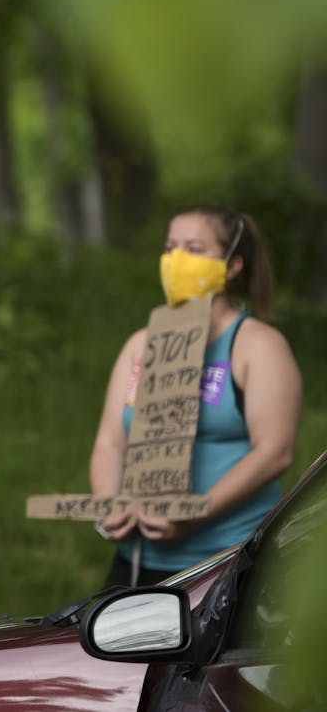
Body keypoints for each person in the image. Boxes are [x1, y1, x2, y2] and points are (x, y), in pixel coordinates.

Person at [90, 205, 302, 588]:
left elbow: (274, 452)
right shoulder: (143, 344)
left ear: (232, 265)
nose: (176, 260)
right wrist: (109, 504)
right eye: (170, 248)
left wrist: (196, 513)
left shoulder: (259, 347)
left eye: (193, 248)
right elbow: (109, 440)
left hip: (228, 563)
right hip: (137, 563)